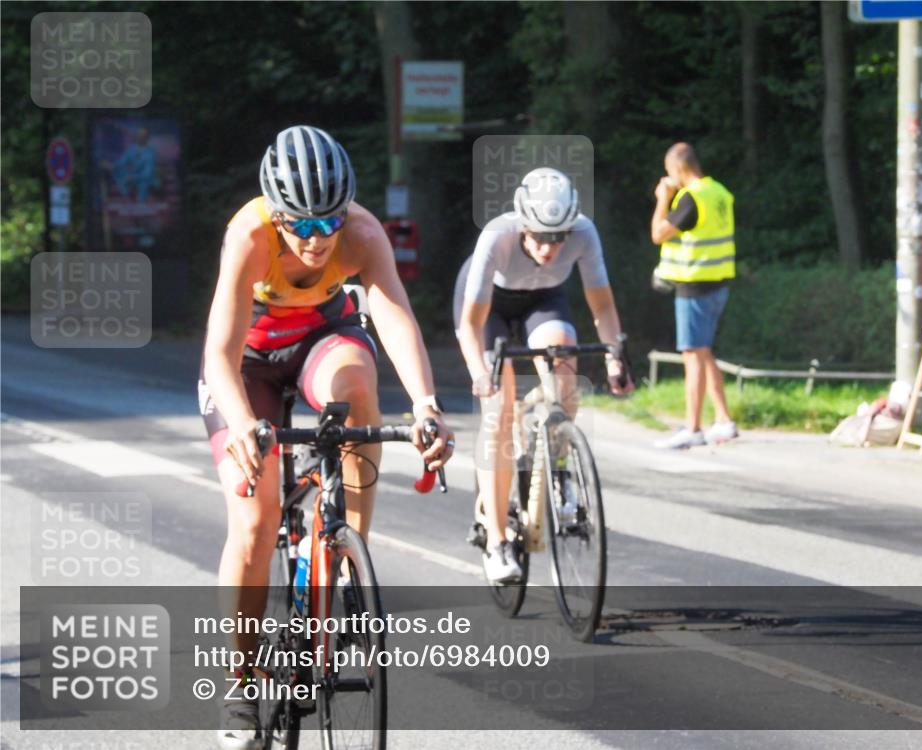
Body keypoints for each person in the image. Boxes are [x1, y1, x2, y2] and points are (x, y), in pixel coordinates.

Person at [198, 125, 455, 749]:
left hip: (321, 341)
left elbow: (394, 315)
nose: (317, 240)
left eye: (329, 223)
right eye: (303, 226)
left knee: (358, 383)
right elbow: (219, 353)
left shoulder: (362, 233)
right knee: (254, 519)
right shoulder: (249, 236)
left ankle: (344, 562)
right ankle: (241, 680)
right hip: (247, 364)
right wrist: (243, 426)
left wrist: (425, 404)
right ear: (277, 215)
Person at [457, 167, 632, 583]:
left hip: (543, 299)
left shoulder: (585, 234)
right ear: (522, 224)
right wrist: (479, 373)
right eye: (538, 235)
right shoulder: (496, 237)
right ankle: (497, 542)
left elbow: (603, 307)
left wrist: (615, 361)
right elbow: (469, 325)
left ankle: (559, 468)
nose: (548, 247)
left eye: (558, 237)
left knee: (565, 365)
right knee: (499, 408)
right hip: (489, 308)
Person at [649, 142, 737, 449]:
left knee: (692, 355)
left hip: (695, 285)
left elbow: (658, 234)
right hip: (718, 281)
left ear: (677, 169)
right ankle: (724, 420)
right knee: (704, 351)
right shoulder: (719, 192)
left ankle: (693, 428)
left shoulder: (691, 197)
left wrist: (663, 199)